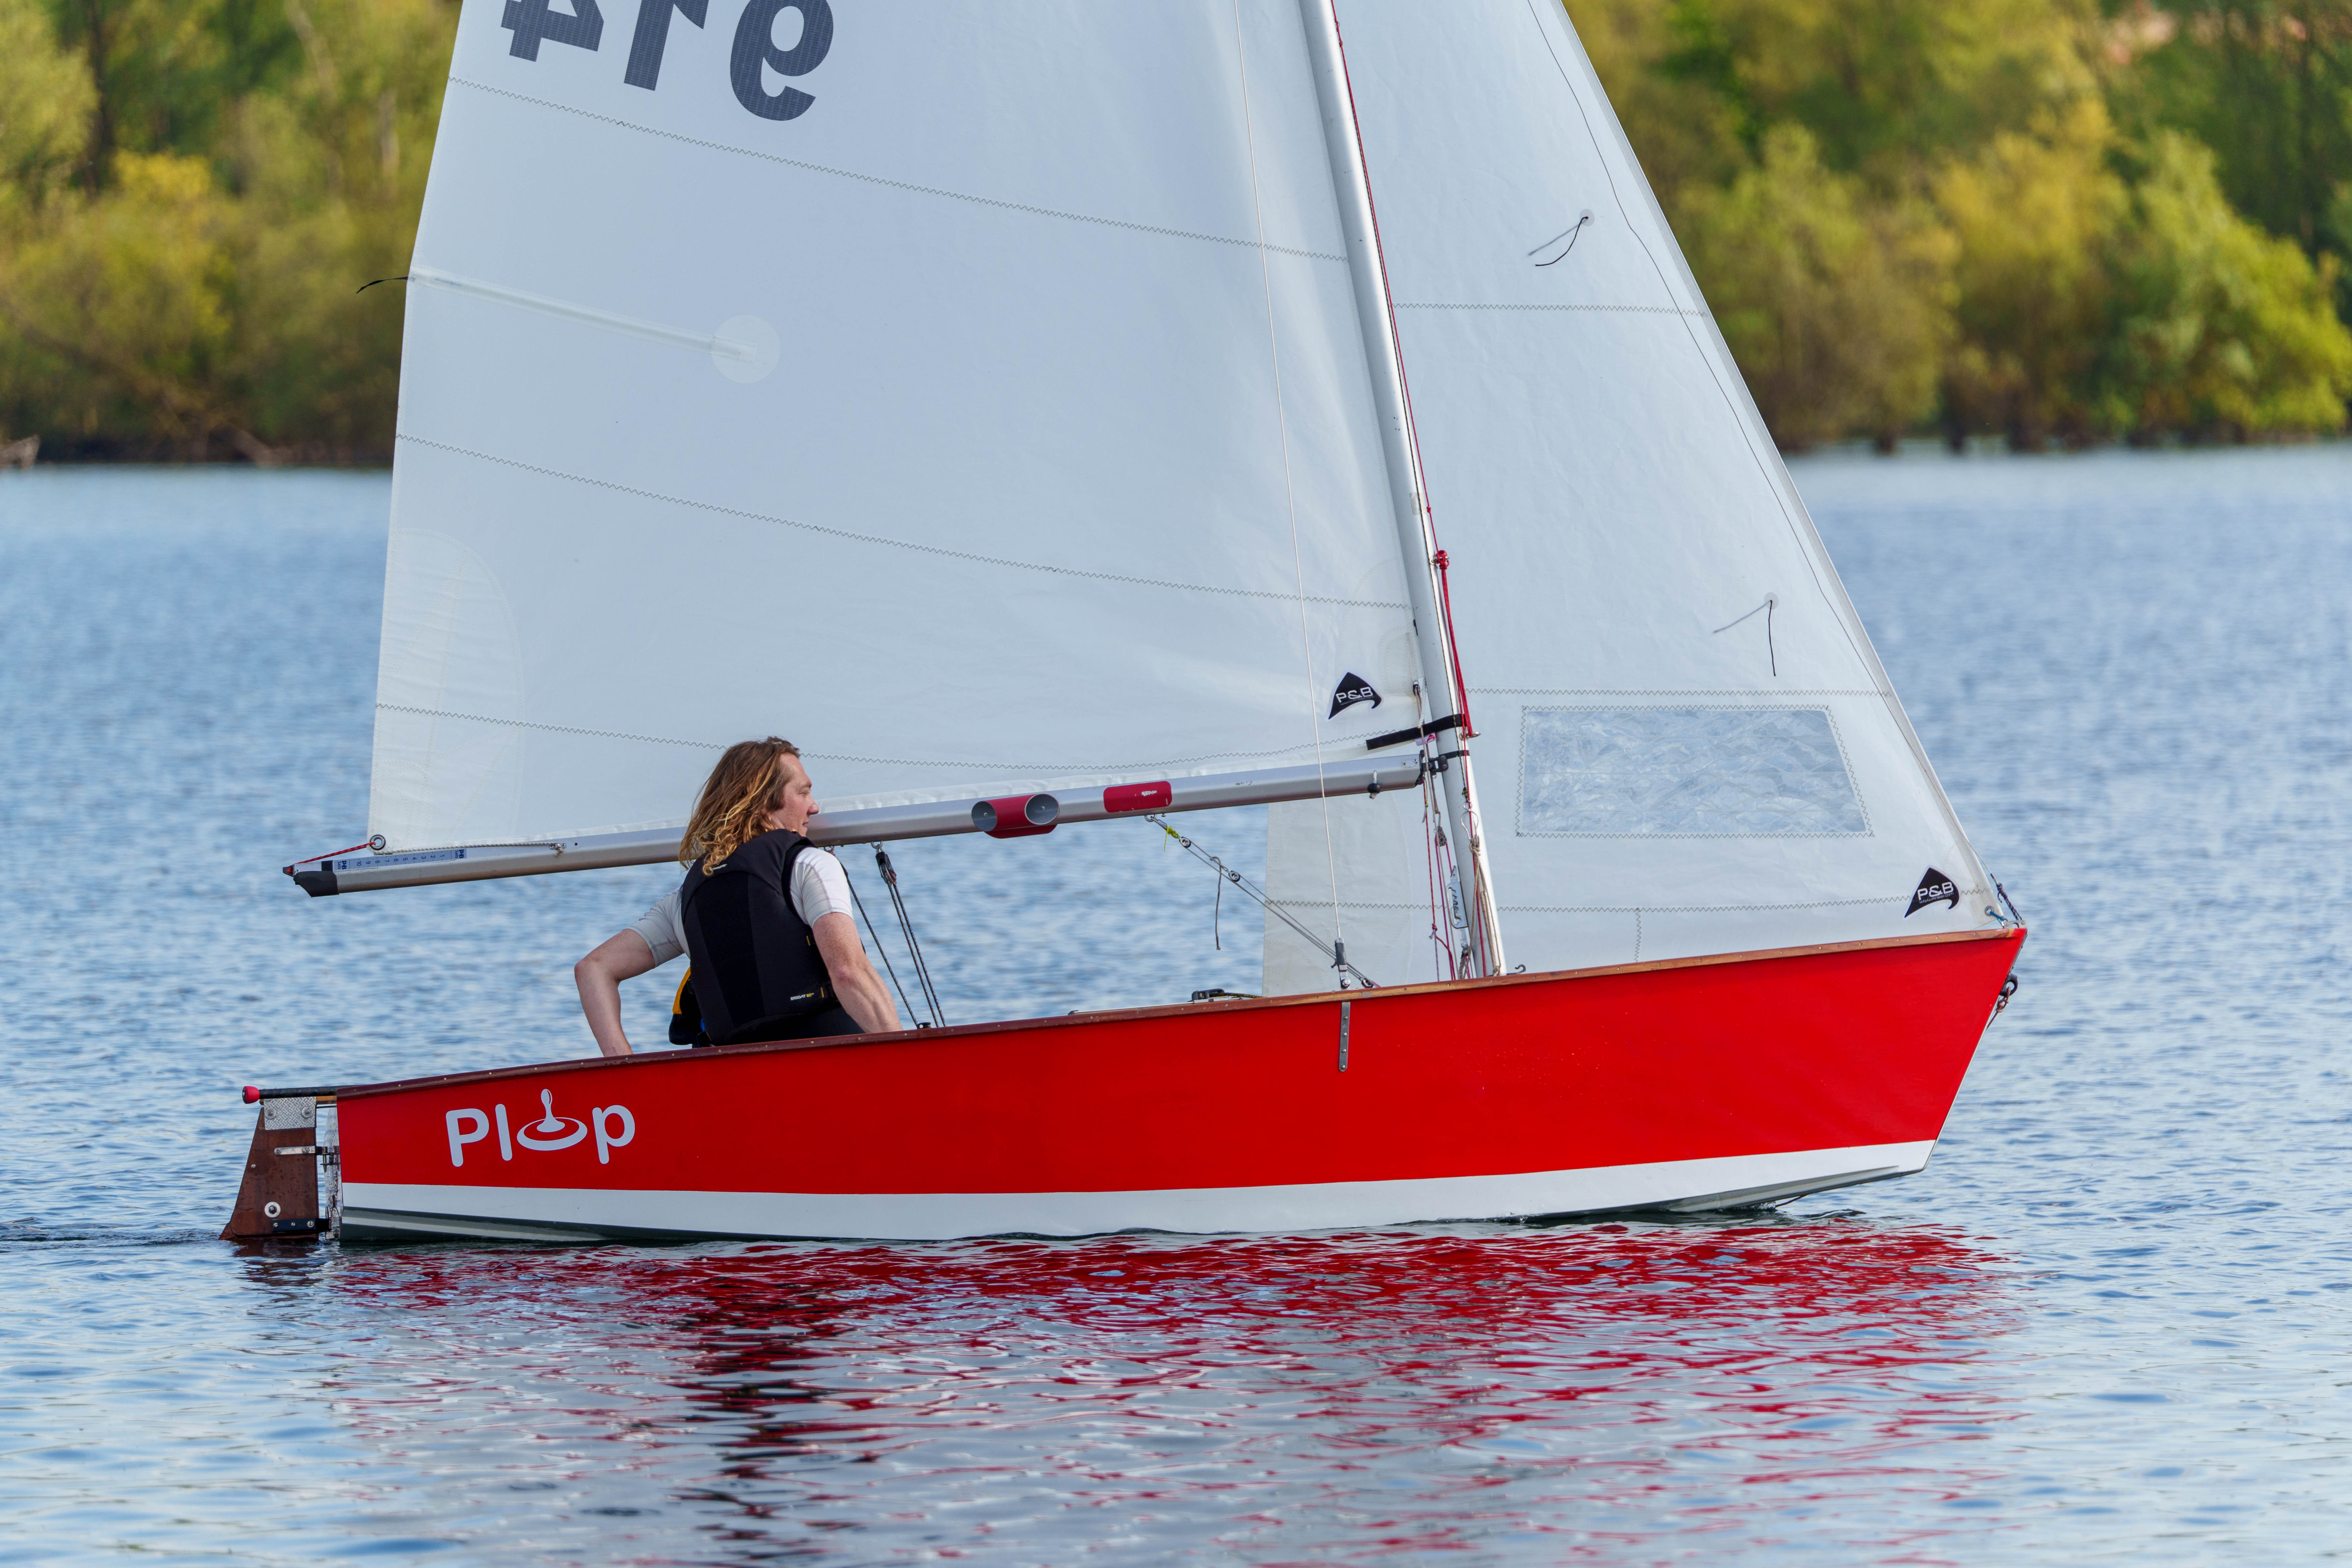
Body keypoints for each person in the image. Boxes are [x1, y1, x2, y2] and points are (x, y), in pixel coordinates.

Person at [572, 737, 903, 1054]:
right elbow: (848, 974)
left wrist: (624, 1064)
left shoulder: (684, 899)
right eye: (803, 793)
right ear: (763, 801)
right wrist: (907, 1059)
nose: (814, 807)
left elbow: (593, 969)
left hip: (738, 1081)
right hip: (829, 1069)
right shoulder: (809, 865)